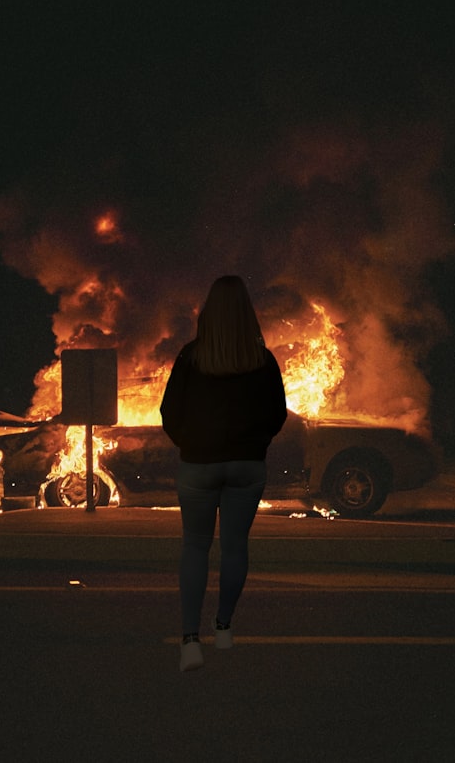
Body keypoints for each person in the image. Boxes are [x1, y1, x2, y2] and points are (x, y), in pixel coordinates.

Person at [160, 275, 287, 671]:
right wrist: (256, 443)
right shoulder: (262, 359)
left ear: (208, 312)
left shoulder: (190, 357)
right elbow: (278, 414)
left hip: (198, 464)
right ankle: (224, 627)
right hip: (247, 466)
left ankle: (190, 642)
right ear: (247, 312)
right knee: (235, 547)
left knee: (195, 546)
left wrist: (190, 444)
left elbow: (168, 413)